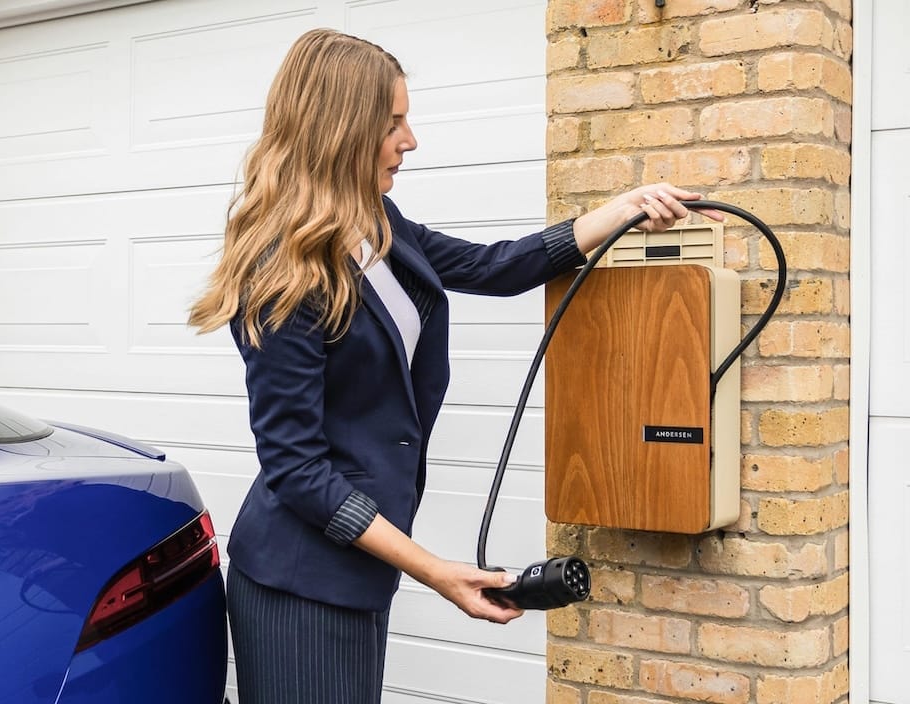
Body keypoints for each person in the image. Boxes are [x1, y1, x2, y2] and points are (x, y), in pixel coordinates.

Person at [188, 27, 723, 704]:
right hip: (300, 584)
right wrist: (437, 571)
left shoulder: (373, 222)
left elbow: (491, 267)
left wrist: (617, 212)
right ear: (340, 129)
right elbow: (298, 469)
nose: (409, 140)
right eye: (393, 123)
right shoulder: (283, 274)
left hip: (352, 573)